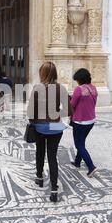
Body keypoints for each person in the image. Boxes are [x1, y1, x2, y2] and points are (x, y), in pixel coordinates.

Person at [27, 62, 72, 203]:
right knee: (52, 156)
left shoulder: (37, 88)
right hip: (55, 126)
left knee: (40, 152)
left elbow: (30, 112)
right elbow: (69, 111)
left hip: (40, 126)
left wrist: (35, 121)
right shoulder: (61, 89)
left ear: (42, 73)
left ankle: (39, 177)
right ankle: (54, 189)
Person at [70, 69, 98, 177]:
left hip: (80, 121)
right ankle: (77, 162)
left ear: (80, 79)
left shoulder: (79, 89)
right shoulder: (94, 88)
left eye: (77, 80)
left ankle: (91, 167)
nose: (76, 82)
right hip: (90, 120)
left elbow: (72, 104)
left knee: (79, 144)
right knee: (82, 141)